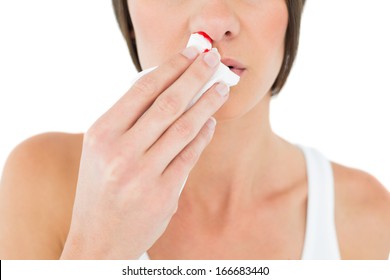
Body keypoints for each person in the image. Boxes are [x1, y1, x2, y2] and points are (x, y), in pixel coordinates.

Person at [0, 0, 389, 260]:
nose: (215, 23)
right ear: (129, 18)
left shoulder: (370, 218)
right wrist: (98, 249)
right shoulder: (40, 179)